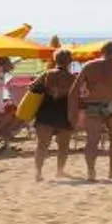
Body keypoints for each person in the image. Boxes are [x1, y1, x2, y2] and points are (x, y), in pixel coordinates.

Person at [73, 41, 112, 180]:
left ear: (102, 51)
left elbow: (75, 89)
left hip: (94, 104)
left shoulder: (89, 66)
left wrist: (73, 108)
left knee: (92, 140)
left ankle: (91, 172)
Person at [30, 49, 80, 180]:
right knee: (63, 146)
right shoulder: (73, 78)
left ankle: (38, 173)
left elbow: (31, 87)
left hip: (46, 111)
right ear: (70, 61)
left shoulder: (46, 74)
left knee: (42, 145)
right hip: (64, 113)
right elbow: (78, 97)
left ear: (55, 60)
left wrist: (49, 89)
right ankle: (59, 171)